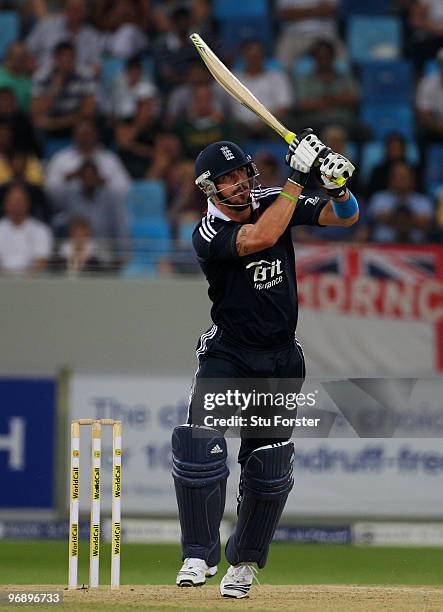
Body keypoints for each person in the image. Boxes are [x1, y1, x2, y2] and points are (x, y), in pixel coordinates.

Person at [172, 131, 358, 597]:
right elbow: (263, 236)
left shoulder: (272, 197)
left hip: (279, 357)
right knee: (199, 451)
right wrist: (298, 174)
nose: (237, 184)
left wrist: (337, 185)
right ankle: (197, 555)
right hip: (228, 354)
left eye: (241, 173)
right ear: (209, 188)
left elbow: (345, 217)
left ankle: (246, 564)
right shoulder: (207, 233)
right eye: (226, 178)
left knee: (269, 468)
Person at [0, 183, 53, 274]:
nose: (16, 204)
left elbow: (41, 262)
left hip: (32, 283)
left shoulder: (41, 230)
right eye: (13, 201)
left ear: (27, 203)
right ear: (6, 204)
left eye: (19, 201)